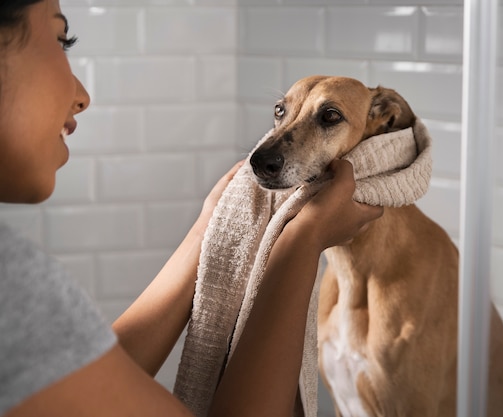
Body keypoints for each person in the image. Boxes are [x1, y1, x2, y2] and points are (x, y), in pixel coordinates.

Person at [0, 1, 383, 416]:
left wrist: (210, 226)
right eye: (61, 41)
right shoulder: (11, 281)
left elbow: (84, 381)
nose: (82, 95)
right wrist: (302, 241)